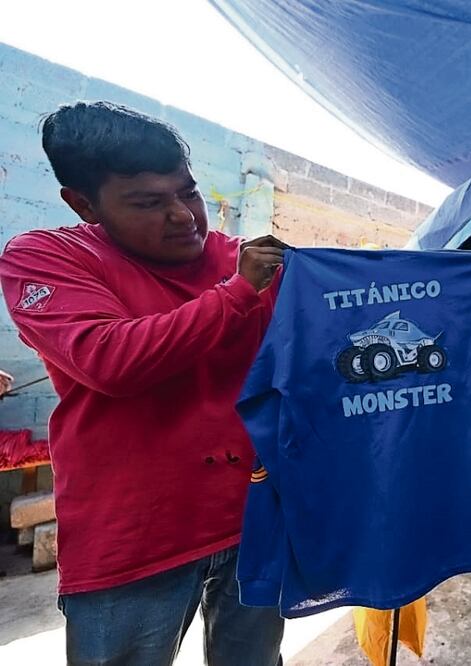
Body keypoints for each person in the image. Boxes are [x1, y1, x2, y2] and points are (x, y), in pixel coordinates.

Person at [0, 102, 287, 665]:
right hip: (134, 535)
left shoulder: (240, 258)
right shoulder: (47, 258)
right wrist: (236, 295)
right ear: (84, 204)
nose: (183, 216)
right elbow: (110, 359)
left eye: (188, 192)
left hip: (253, 513)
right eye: (148, 203)